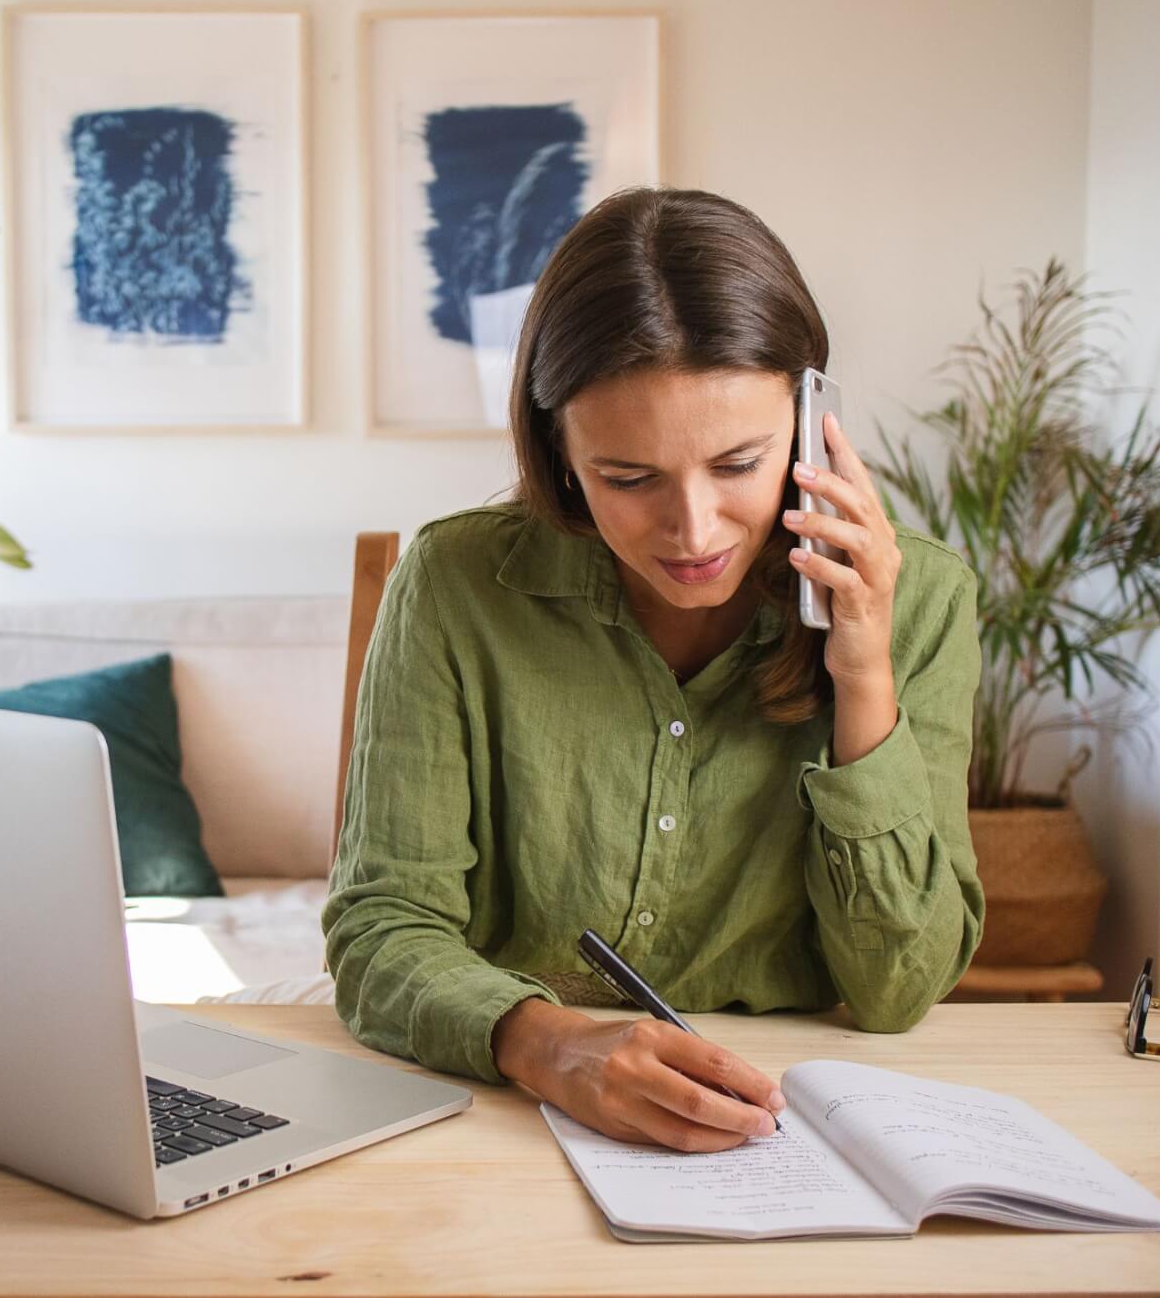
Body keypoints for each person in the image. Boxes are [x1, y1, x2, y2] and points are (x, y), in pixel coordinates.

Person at [321, 186, 984, 1155]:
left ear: (808, 426)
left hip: (796, 1132)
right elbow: (382, 929)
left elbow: (894, 991)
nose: (692, 531)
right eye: (627, 479)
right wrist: (551, 1046)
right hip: (505, 1117)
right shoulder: (457, 583)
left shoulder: (919, 598)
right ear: (558, 451)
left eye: (737, 464)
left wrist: (864, 676)